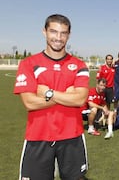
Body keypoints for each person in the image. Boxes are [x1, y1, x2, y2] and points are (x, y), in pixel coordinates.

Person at [14, 14, 89, 179]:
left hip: (72, 136)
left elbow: (80, 99)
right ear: (44, 32)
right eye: (54, 32)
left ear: (69, 35)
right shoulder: (28, 64)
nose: (58, 37)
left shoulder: (79, 65)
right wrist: (66, 96)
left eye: (63, 33)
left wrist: (49, 93)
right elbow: (30, 103)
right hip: (38, 137)